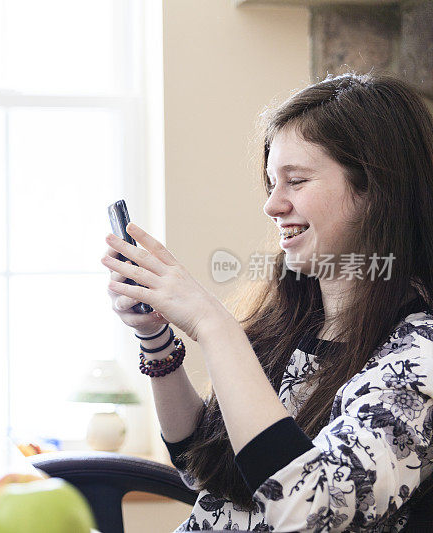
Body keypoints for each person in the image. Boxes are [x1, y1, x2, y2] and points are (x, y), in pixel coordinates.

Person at [102, 73, 433, 531]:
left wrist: (213, 325)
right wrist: (155, 336)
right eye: (271, 182)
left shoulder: (418, 356)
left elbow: (309, 512)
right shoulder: (293, 324)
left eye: (295, 181)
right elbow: (202, 469)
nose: (272, 205)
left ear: (375, 191)